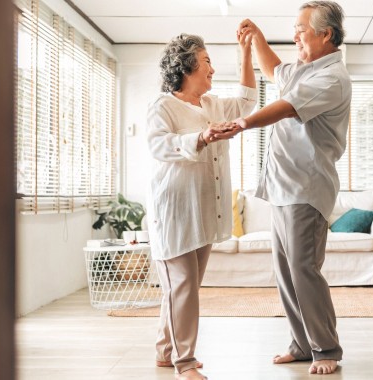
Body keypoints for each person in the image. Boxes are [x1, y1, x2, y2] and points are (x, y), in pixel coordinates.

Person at [232, 1, 350, 375]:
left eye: (301, 28)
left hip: (306, 187)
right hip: (283, 186)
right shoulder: (303, 69)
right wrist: (255, 40)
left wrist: (241, 123)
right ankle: (301, 345)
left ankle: (326, 348)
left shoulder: (331, 78)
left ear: (325, 33)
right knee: (285, 271)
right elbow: (273, 70)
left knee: (303, 269)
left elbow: (285, 107)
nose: (296, 33)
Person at [146, 32, 255, 380]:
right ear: (187, 66)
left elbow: (247, 101)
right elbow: (159, 147)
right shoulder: (163, 106)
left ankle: (166, 351)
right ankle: (185, 363)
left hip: (204, 211)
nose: (212, 68)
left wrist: (246, 50)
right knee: (182, 287)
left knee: (183, 288)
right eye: (207, 61)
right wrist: (203, 137)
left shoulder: (212, 105)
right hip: (175, 213)